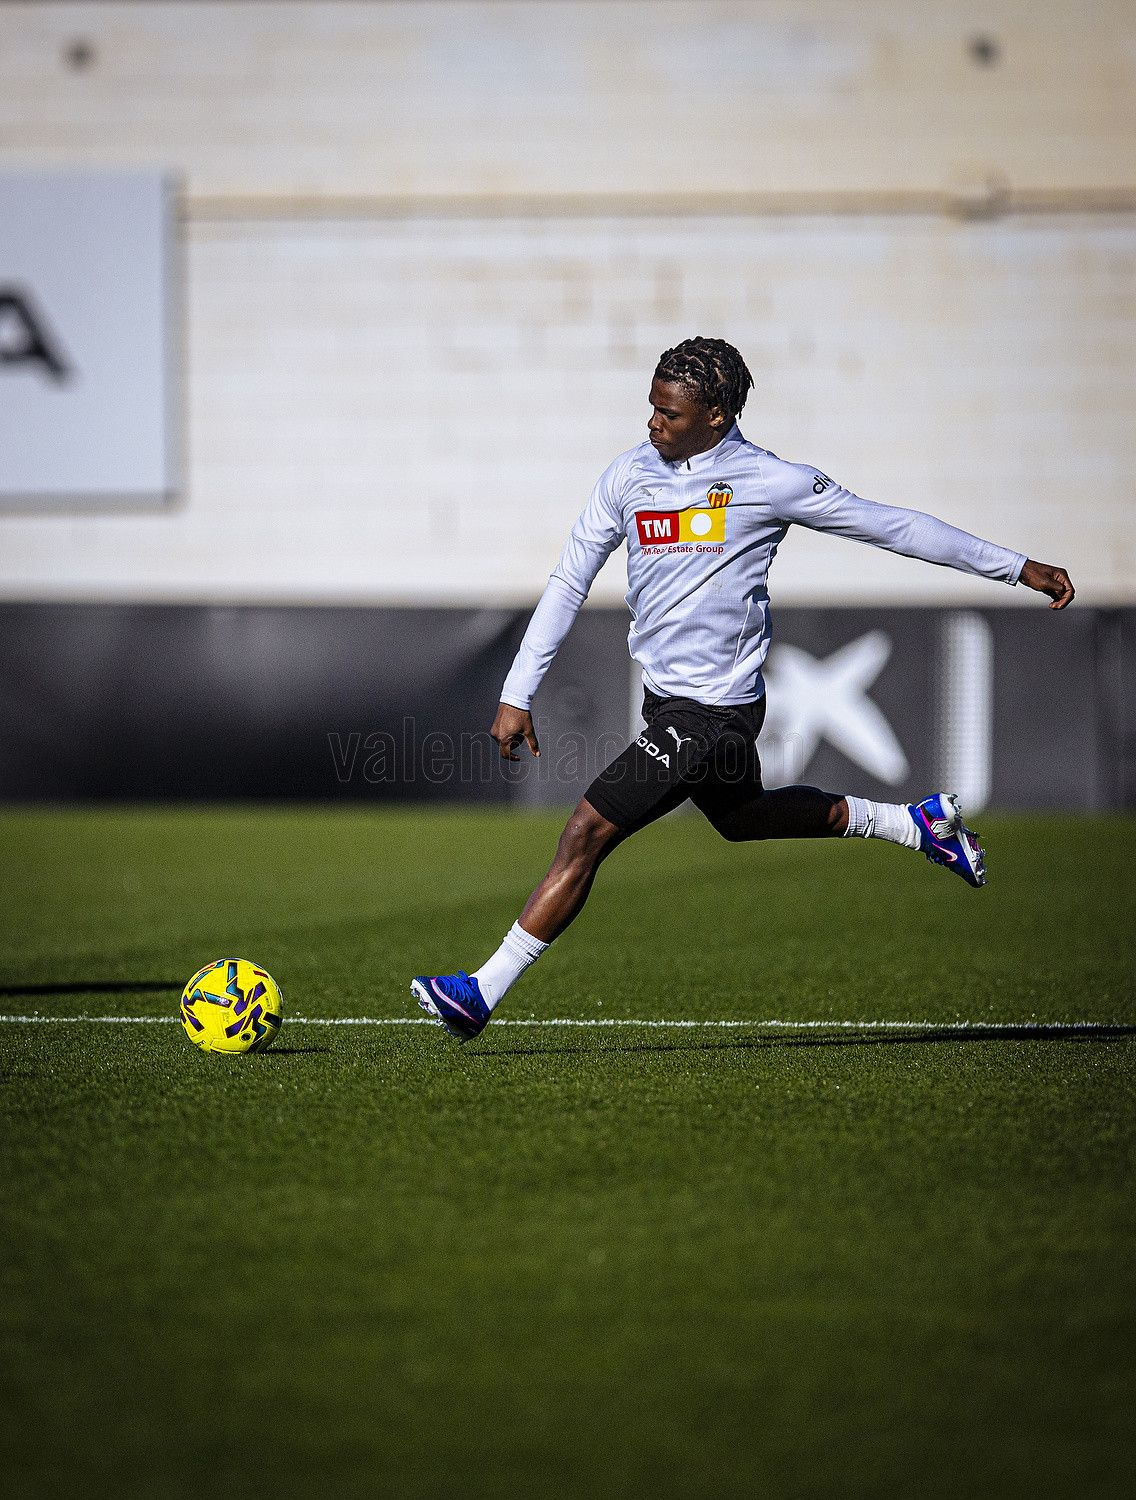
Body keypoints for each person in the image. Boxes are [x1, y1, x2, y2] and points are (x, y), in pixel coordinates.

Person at [411, 337, 1075, 1042]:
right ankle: (915, 824)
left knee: (587, 830)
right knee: (743, 816)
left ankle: (480, 991)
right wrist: (518, 691)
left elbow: (896, 527)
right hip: (667, 703)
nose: (653, 422)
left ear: (717, 416)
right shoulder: (628, 475)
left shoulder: (769, 481)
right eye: (651, 407)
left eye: (670, 413)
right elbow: (570, 579)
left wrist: (1016, 567)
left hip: (717, 712)